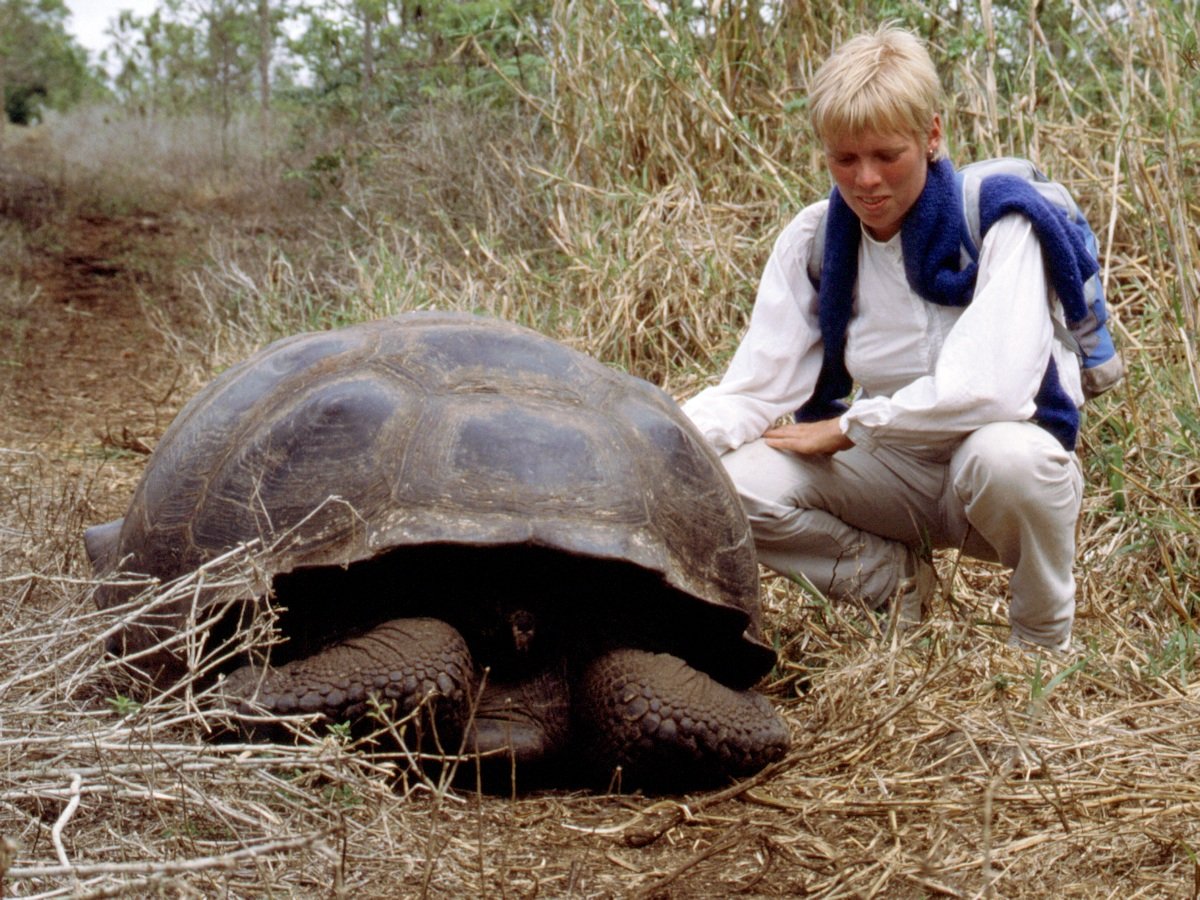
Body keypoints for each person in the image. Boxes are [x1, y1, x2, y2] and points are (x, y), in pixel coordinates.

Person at [681, 25, 1085, 652]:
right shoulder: (816, 240)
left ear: (931, 136)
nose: (866, 180)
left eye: (886, 155)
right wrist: (661, 443)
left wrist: (849, 427)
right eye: (845, 159)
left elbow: (993, 390)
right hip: (893, 468)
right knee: (725, 488)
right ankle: (893, 587)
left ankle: (1040, 643)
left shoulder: (1002, 222)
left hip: (988, 463)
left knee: (1011, 459)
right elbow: (753, 389)